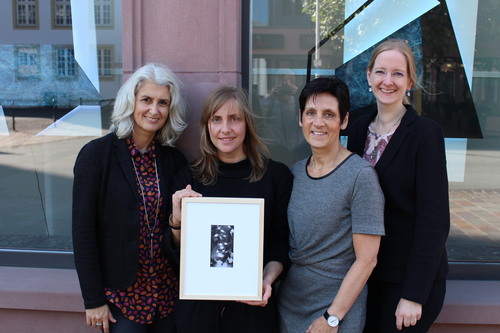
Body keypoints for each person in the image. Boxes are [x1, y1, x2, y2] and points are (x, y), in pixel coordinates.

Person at [72, 63, 188, 332]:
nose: (154, 110)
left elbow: (177, 229)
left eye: (163, 103)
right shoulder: (96, 156)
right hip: (119, 297)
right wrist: (93, 300)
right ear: (131, 102)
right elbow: (83, 232)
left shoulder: (173, 160)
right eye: (146, 100)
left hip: (165, 294)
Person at [168, 86, 293, 333]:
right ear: (207, 126)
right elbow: (176, 254)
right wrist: (176, 221)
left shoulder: (275, 177)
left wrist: (267, 280)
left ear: (247, 124)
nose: (225, 129)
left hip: (253, 310)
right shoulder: (188, 177)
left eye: (234, 119)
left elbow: (280, 245)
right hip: (197, 312)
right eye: (217, 120)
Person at [347, 39, 450, 332]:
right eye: (380, 72)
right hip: (365, 277)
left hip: (407, 282)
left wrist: (414, 294)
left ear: (410, 81)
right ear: (369, 76)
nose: (387, 81)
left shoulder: (426, 134)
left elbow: (435, 220)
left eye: (397, 73)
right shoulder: (356, 128)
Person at [278, 77, 385, 333]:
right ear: (300, 119)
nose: (318, 122)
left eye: (329, 114)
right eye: (311, 113)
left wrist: (331, 318)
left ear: (344, 120)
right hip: (290, 304)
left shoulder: (360, 176)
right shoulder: (295, 173)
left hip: (336, 311)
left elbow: (367, 260)